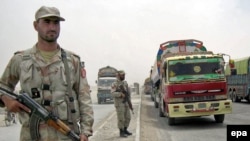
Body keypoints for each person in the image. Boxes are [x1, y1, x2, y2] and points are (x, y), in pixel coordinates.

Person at [0, 6, 94, 141]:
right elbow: (3, 86)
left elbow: (84, 97)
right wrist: (7, 100)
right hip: (31, 136)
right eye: (47, 22)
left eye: (56, 23)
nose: (52, 27)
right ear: (35, 25)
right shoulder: (20, 60)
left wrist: (85, 132)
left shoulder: (72, 61)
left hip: (65, 134)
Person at [111, 70, 132, 137]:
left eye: (124, 75)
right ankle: (121, 132)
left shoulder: (125, 83)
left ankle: (125, 129)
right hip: (119, 104)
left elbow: (128, 94)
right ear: (118, 75)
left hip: (126, 103)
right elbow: (112, 93)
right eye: (122, 75)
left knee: (128, 117)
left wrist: (129, 102)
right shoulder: (114, 84)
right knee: (121, 118)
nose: (124, 76)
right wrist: (120, 94)